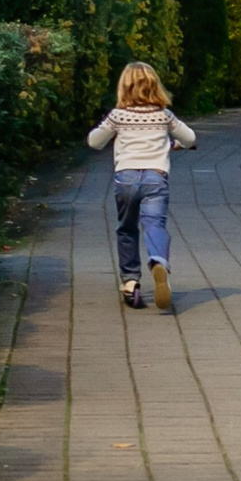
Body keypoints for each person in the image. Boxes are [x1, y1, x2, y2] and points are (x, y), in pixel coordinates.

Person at [87, 62, 196, 310]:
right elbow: (190, 139)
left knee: (126, 229)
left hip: (125, 179)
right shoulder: (164, 116)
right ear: (155, 85)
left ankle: (130, 282)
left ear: (124, 87)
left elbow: (94, 142)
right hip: (156, 178)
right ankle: (158, 261)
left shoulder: (118, 116)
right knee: (154, 224)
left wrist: (114, 133)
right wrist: (173, 145)